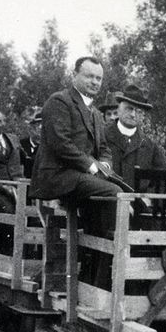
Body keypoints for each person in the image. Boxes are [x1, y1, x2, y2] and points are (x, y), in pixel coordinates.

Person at [30, 56, 119, 230]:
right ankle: (109, 253)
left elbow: (104, 148)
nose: (94, 82)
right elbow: (60, 144)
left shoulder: (95, 113)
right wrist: (92, 167)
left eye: (98, 78)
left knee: (128, 196)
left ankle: (94, 254)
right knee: (114, 193)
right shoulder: (59, 101)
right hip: (58, 176)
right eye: (89, 76)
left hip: (81, 177)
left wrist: (105, 164)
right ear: (74, 75)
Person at [99, 85, 166, 191]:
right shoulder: (101, 137)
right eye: (129, 109)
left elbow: (162, 179)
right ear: (119, 109)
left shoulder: (150, 146)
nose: (133, 114)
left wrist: (148, 199)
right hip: (105, 201)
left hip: (139, 205)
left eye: (139, 111)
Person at [18, 107, 42, 178]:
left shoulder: (50, 146)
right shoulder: (20, 145)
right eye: (36, 125)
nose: (40, 128)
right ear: (29, 127)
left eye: (42, 124)